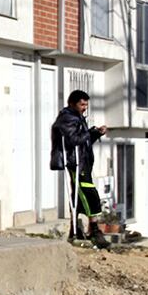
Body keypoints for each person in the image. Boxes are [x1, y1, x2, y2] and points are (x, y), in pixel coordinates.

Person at [50, 89, 110, 248]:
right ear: (73, 103)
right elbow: (73, 140)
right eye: (82, 104)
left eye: (86, 105)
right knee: (88, 194)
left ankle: (76, 229)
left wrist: (96, 133)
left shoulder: (77, 118)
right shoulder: (67, 118)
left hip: (83, 162)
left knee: (80, 194)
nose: (85, 107)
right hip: (75, 162)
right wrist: (90, 133)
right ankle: (94, 230)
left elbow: (84, 140)